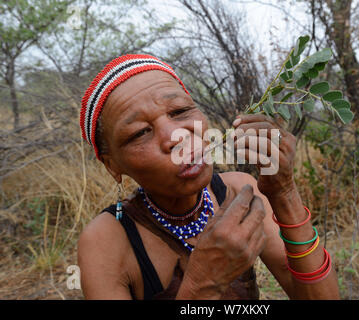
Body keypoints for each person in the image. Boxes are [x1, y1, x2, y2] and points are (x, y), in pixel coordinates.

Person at [77, 54, 340, 300]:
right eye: (140, 133)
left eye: (179, 111)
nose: (175, 137)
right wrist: (201, 285)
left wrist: (284, 193)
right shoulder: (106, 241)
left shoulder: (241, 191)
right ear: (113, 166)